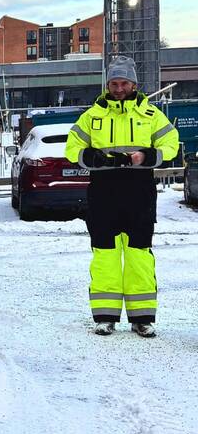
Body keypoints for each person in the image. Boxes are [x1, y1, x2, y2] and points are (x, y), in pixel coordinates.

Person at [64, 56, 179, 337]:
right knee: (105, 256)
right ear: (107, 85)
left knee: (139, 256)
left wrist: (145, 156)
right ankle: (106, 317)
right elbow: (72, 147)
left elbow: (171, 144)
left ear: (133, 84)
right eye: (114, 83)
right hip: (103, 193)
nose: (118, 89)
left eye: (124, 83)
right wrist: (92, 157)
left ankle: (143, 318)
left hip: (139, 192)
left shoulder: (150, 115)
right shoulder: (92, 116)